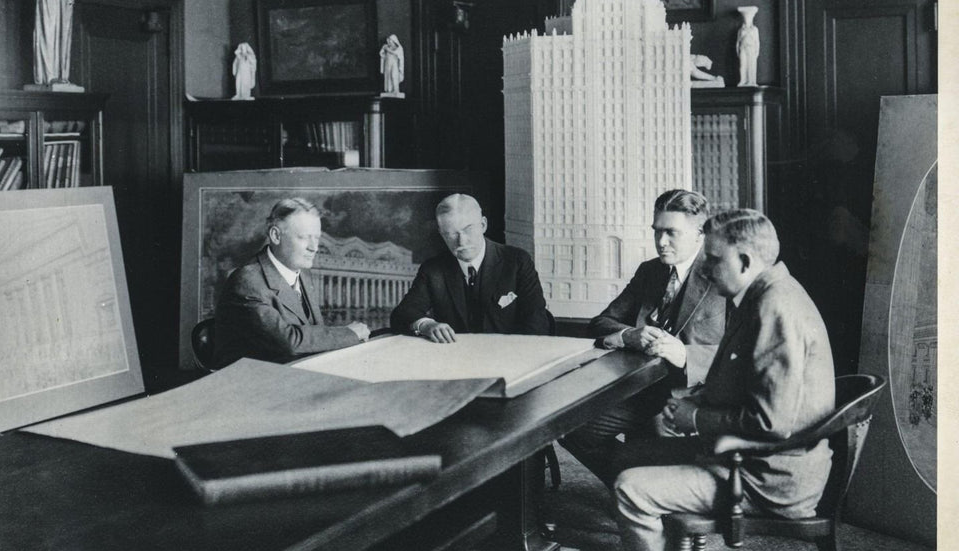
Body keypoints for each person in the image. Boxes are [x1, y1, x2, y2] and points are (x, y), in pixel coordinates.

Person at [612, 209, 836, 551]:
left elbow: (773, 421)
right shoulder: (763, 294)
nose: (706, 269)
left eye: (714, 260)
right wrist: (692, 403)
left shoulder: (774, 307)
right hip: (753, 461)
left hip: (768, 479)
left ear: (745, 262)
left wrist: (695, 417)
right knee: (628, 454)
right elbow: (747, 386)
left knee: (631, 489)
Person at [561, 190, 725, 485]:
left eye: (671, 233)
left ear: (700, 234)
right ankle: (632, 488)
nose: (661, 242)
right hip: (641, 390)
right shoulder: (650, 271)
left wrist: (685, 354)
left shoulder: (722, 275)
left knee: (659, 440)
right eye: (657, 231)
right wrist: (629, 335)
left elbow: (742, 354)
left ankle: (645, 493)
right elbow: (600, 323)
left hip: (696, 396)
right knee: (571, 427)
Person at [212, 198, 370, 368]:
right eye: (303, 238)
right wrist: (349, 333)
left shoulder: (302, 273)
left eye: (317, 238)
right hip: (251, 382)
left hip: (292, 373)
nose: (314, 247)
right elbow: (289, 342)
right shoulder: (247, 281)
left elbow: (314, 331)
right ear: (276, 236)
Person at [390, 193, 550, 341]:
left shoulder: (516, 261)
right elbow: (402, 314)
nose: (461, 241)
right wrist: (425, 325)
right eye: (451, 234)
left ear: (483, 225)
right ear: (441, 233)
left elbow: (537, 325)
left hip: (509, 358)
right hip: (458, 361)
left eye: (468, 230)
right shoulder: (433, 269)